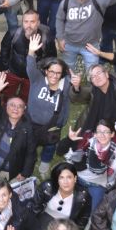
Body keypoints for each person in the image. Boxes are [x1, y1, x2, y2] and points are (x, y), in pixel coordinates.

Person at [58, 119, 116, 211]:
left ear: (112, 134)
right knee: (64, 204)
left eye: (106, 132)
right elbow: (59, 151)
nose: (102, 135)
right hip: (78, 178)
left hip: (98, 185)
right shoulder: (85, 142)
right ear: (94, 134)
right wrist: (69, 140)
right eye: (99, 132)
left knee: (94, 212)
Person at [0, 72, 38, 182]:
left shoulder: (28, 129)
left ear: (24, 110)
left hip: (10, 170)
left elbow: (31, 153)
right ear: (6, 107)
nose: (16, 109)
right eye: (12, 105)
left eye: (20, 106)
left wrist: (25, 172)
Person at [55, 0, 116, 73]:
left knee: (93, 72)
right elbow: (59, 19)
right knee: (68, 70)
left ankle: (94, 87)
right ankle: (71, 87)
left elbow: (111, 0)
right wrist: (60, 38)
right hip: (69, 44)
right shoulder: (66, 2)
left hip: (91, 46)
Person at [24, 35, 70, 174]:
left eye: (58, 73)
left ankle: (44, 162)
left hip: (53, 126)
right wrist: (31, 52)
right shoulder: (37, 78)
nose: (54, 75)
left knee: (50, 146)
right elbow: (30, 66)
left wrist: (78, 86)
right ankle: (28, 161)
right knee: (29, 146)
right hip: (32, 122)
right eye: (51, 72)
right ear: (45, 71)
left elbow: (78, 95)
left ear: (62, 74)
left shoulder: (67, 84)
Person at [70, 63, 116, 146]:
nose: (97, 77)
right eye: (93, 76)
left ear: (106, 74)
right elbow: (76, 99)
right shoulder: (93, 91)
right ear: (92, 82)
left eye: (99, 73)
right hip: (95, 126)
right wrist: (76, 87)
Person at [0, 9, 56, 102]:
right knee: (7, 96)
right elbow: (4, 49)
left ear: (38, 23)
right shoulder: (13, 33)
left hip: (32, 76)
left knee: (27, 99)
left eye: (32, 22)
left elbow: (52, 58)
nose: (28, 25)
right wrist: (6, 67)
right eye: (26, 22)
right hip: (13, 72)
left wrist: (43, 73)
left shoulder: (47, 37)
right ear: (22, 22)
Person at [31, 162, 92, 230]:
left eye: (69, 177)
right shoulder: (47, 187)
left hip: (66, 225)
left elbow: (83, 218)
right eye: (61, 177)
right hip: (43, 219)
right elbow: (35, 206)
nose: (65, 182)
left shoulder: (83, 196)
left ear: (75, 178)